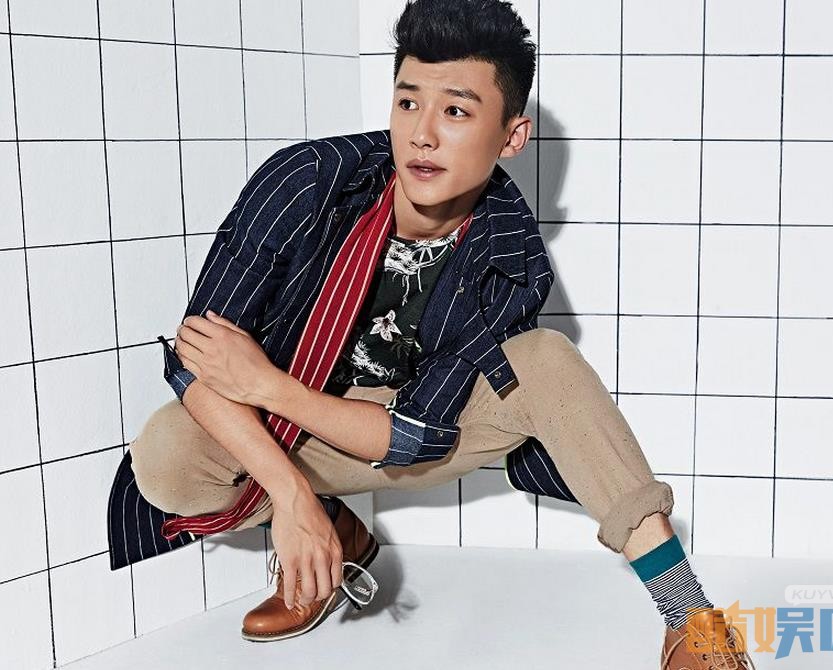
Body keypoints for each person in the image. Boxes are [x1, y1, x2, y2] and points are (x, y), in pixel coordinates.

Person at [107, 1, 755, 667]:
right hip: (299, 431)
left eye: (456, 111)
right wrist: (292, 495)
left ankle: (689, 617)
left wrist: (269, 387)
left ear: (511, 136)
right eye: (408, 102)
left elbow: (413, 436)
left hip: (415, 432)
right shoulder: (307, 181)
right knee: (167, 453)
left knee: (546, 360)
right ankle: (332, 536)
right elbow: (198, 360)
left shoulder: (509, 255)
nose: (421, 134)